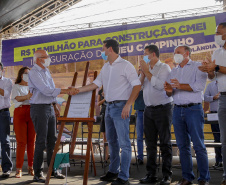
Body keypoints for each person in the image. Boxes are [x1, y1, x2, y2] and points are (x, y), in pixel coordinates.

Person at [73, 39, 141, 185]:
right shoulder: (106, 67)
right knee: (111, 142)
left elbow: (137, 85)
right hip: (108, 107)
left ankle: (124, 177)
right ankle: (113, 171)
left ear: (110, 49)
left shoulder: (126, 65)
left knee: (124, 143)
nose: (102, 52)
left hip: (121, 106)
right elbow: (95, 85)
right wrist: (78, 90)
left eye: (103, 49)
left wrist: (128, 105)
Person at [28, 49, 78, 183]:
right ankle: (37, 173)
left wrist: (55, 104)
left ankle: (53, 170)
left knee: (53, 140)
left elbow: (51, 89)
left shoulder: (46, 71)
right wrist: (65, 90)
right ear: (39, 59)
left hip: (49, 107)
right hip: (39, 108)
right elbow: (45, 90)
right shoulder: (33, 72)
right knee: (41, 141)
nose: (49, 59)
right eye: (46, 57)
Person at [164, 45, 210, 185]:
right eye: (174, 52)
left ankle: (204, 178)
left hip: (193, 110)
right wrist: (168, 90)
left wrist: (179, 85)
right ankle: (187, 177)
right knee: (182, 146)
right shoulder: (173, 71)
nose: (175, 54)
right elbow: (169, 92)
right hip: (177, 110)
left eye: (178, 52)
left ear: (187, 53)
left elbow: (199, 87)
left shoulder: (198, 66)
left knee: (198, 145)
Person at [139, 45, 173, 185]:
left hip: (163, 109)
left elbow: (160, 85)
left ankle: (167, 175)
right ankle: (151, 174)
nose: (144, 57)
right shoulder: (147, 70)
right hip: (148, 110)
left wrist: (147, 72)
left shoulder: (164, 68)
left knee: (165, 143)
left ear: (153, 54)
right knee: (150, 144)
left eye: (145, 54)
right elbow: (139, 86)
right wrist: (142, 73)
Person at [198, 22, 226, 185]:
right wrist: (209, 70)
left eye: (219, 32)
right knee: (224, 140)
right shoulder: (216, 52)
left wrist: (214, 66)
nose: (216, 35)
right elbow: (213, 77)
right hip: (223, 99)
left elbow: (219, 68)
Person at [11, 67, 35, 178]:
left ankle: (31, 167)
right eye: (26, 74)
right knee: (21, 142)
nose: (28, 76)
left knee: (31, 142)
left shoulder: (33, 86)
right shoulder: (16, 86)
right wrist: (27, 96)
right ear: (21, 75)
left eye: (29, 74)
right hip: (20, 111)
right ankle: (19, 169)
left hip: (32, 112)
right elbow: (17, 98)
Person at [204, 80, 222, 168]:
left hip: (224, 113)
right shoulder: (210, 85)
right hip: (214, 114)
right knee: (217, 138)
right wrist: (213, 98)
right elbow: (205, 97)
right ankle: (219, 161)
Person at [0, 62, 13, 178]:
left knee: (5, 141)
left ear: (2, 70)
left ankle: (6, 168)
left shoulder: (7, 81)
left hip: (3, 113)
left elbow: (6, 94)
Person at [133, 66, 145, 165]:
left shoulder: (149, 80)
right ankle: (140, 157)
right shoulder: (135, 82)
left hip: (150, 111)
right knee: (139, 136)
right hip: (139, 111)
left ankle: (150, 157)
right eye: (139, 69)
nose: (141, 70)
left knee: (150, 136)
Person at [97, 87, 109, 161]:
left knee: (112, 134)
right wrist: (105, 98)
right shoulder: (100, 91)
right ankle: (106, 155)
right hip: (104, 111)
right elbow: (98, 103)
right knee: (104, 134)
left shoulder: (112, 88)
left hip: (112, 110)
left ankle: (113, 154)